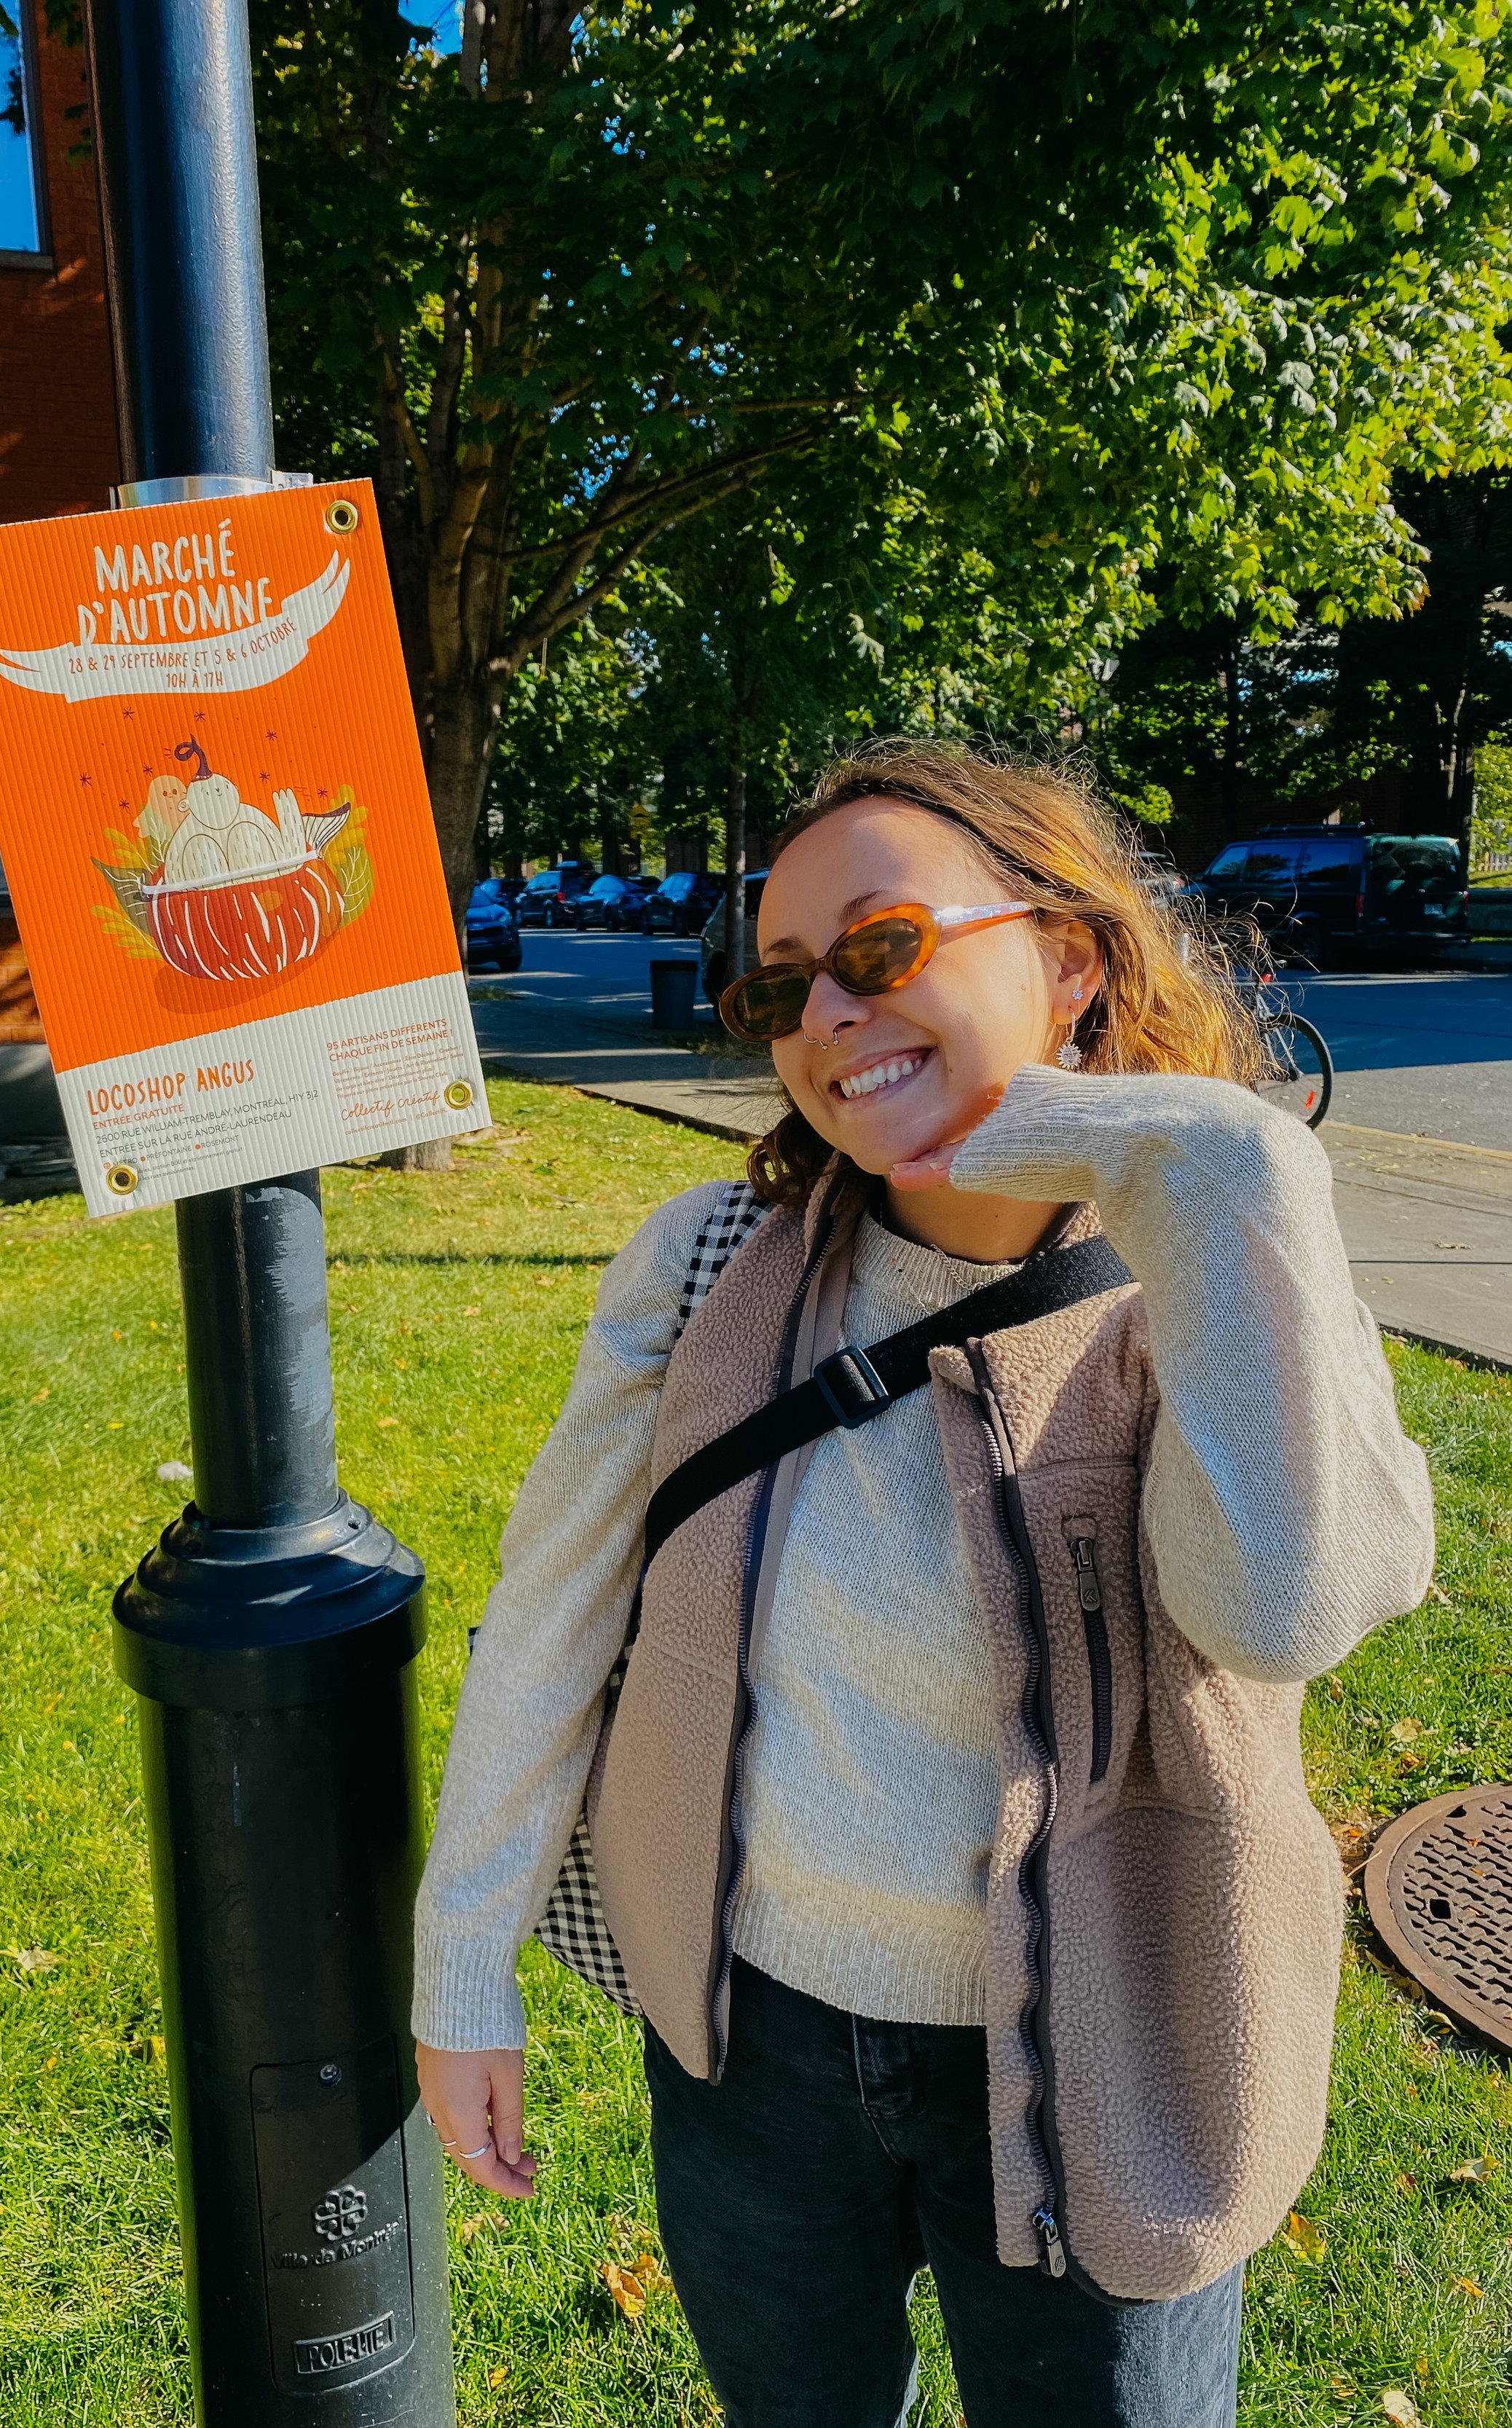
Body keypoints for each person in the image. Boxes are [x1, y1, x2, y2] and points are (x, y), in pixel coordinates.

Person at [412, 743, 1434, 2427]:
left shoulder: (1206, 1272)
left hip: (1105, 2051)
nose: (828, 1015)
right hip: (754, 2049)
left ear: (1068, 954)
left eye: (881, 948)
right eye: (784, 984)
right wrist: (465, 1964)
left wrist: (1232, 1171)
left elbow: (1282, 1604)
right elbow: (553, 1608)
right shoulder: (706, 1265)